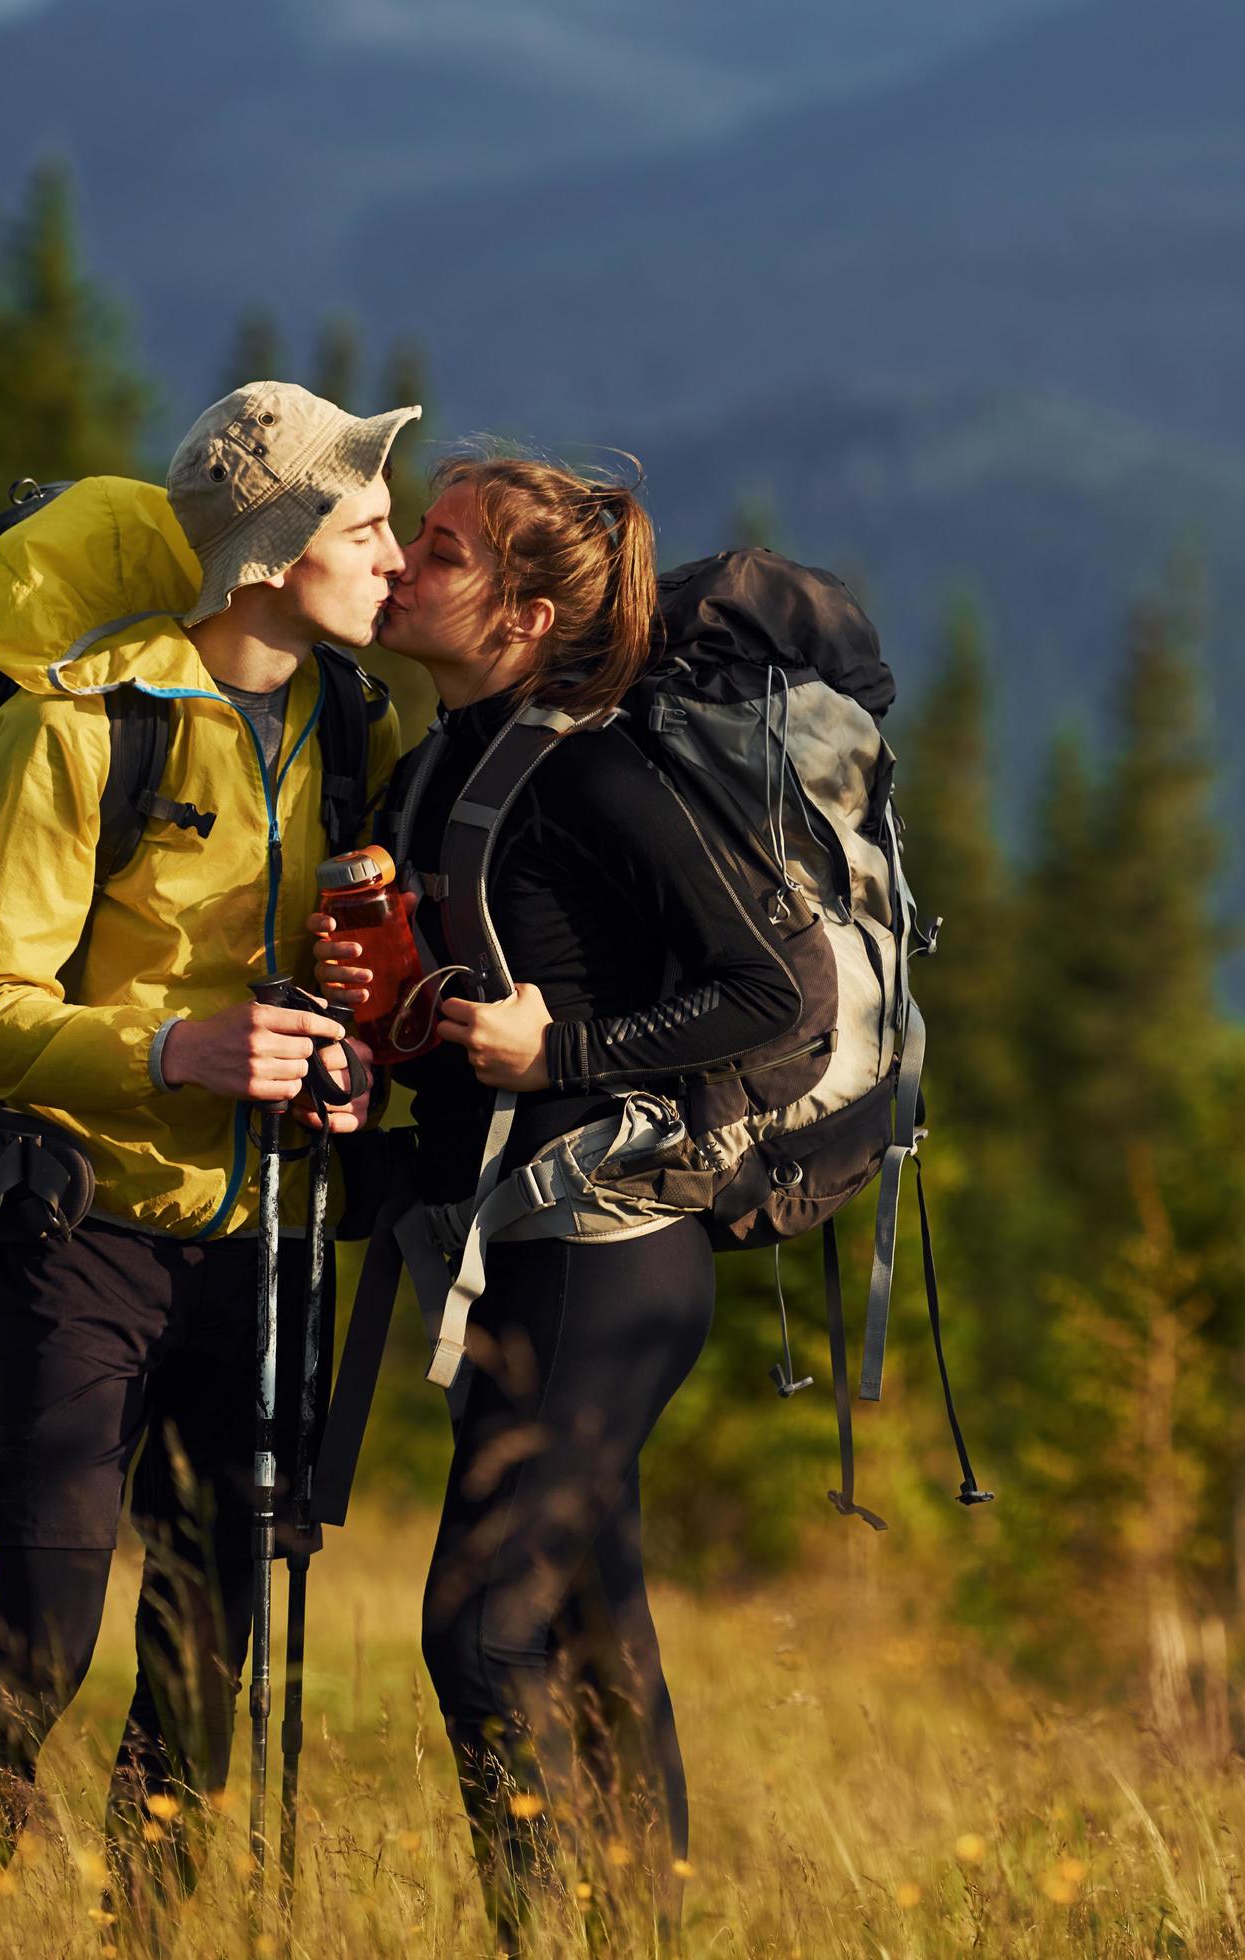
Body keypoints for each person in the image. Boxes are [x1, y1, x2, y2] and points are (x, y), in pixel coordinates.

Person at [0, 383, 423, 1943]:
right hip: (89, 1232)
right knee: (46, 1637)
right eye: (368, 526)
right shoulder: (78, 734)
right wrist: (167, 1051)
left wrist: (352, 1063)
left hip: (271, 1235)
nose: (400, 556)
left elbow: (361, 971)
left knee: (207, 1655)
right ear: (271, 560)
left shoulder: (355, 722)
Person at [329, 453, 807, 1940]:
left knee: (478, 1635)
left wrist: (568, 1048)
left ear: (527, 618)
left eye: (447, 548)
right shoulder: (435, 766)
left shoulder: (598, 770)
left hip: (611, 1256)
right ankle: (639, 1931)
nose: (406, 559)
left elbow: (776, 989)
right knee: (596, 1634)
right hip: (513, 1250)